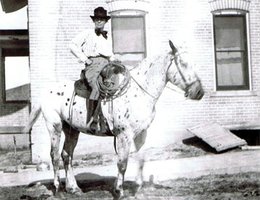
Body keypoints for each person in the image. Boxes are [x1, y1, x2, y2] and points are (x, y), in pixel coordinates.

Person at [70, 6, 116, 133]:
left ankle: (113, 119)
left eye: (101, 19)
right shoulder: (87, 33)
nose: (99, 21)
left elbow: (109, 54)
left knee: (116, 85)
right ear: (94, 21)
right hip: (93, 66)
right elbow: (72, 45)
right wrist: (85, 59)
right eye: (97, 19)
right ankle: (92, 120)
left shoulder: (107, 36)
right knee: (97, 87)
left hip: (107, 65)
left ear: (106, 21)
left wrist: (115, 58)